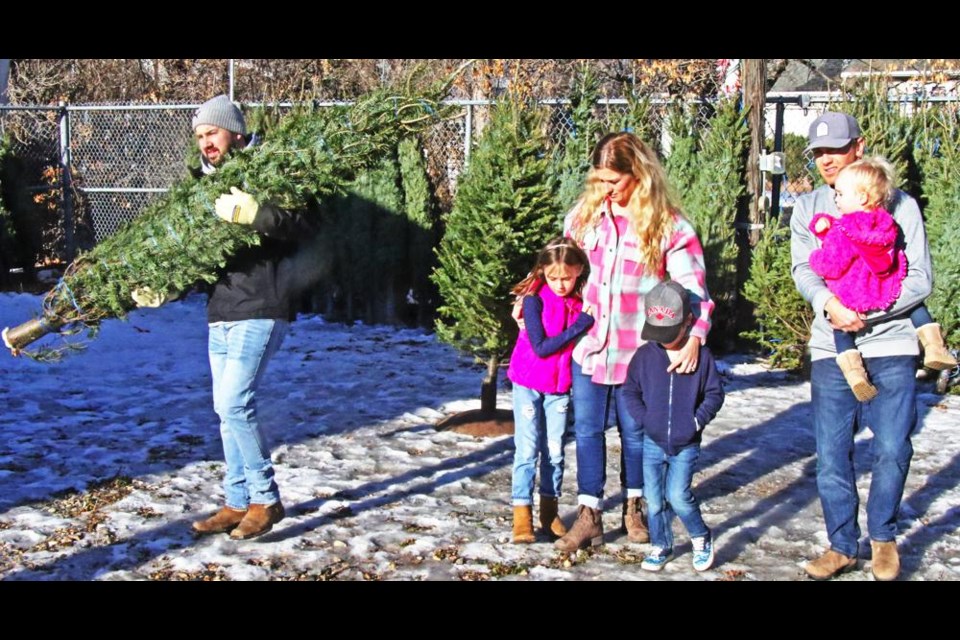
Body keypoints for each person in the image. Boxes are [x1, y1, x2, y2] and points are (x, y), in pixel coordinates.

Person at [134, 95, 317, 540]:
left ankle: (265, 499)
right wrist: (169, 288)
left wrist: (258, 214)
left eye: (212, 133)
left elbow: (303, 225)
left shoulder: (271, 168)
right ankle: (237, 501)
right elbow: (197, 256)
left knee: (235, 403)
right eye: (199, 136)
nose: (206, 143)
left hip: (264, 305)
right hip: (221, 310)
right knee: (224, 411)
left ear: (235, 131)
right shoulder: (203, 185)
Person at [553, 132, 714, 552]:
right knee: (587, 431)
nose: (606, 189)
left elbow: (692, 289)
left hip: (640, 354)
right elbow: (560, 273)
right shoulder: (583, 218)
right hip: (590, 347)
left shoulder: (669, 226)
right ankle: (589, 514)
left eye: (614, 181)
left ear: (637, 173)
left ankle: (634, 506)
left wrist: (694, 335)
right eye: (600, 180)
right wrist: (532, 300)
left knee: (637, 433)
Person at [790, 112, 932, 581]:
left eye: (836, 149)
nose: (826, 160)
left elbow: (920, 279)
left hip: (890, 346)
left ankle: (884, 538)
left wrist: (868, 313)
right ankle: (841, 545)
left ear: (859, 145)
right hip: (833, 349)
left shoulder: (899, 205)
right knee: (831, 454)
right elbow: (804, 269)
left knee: (892, 448)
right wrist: (830, 303)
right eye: (818, 153)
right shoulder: (809, 207)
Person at [808, 156, 956, 401]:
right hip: (884, 283)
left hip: (855, 293)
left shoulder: (844, 230)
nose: (836, 198)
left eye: (841, 195)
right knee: (915, 305)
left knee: (840, 327)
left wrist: (816, 258)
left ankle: (854, 373)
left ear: (862, 197)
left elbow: (833, 264)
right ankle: (934, 345)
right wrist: (825, 226)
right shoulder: (886, 222)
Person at [621, 281, 724, 572]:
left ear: (688, 321)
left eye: (669, 333)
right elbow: (630, 391)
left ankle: (701, 536)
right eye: (658, 333)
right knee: (654, 500)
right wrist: (645, 419)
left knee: (678, 496)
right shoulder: (644, 357)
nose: (663, 340)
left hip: (685, 443)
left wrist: (695, 421)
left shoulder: (701, 357)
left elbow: (715, 394)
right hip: (652, 442)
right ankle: (661, 545)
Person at [507, 237, 594, 543]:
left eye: (567, 278)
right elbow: (541, 347)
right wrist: (578, 327)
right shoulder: (534, 300)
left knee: (555, 451)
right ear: (543, 271)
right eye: (554, 277)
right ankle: (522, 515)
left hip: (559, 387)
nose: (560, 284)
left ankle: (549, 512)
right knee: (527, 449)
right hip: (528, 382)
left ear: (579, 270)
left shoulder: (581, 299)